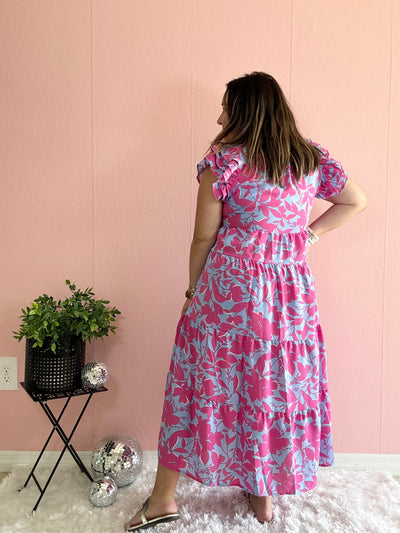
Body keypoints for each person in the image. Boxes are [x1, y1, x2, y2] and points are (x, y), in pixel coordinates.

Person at [124, 72, 367, 531]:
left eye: (225, 107)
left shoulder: (226, 162)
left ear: (243, 111)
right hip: (289, 296)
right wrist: (307, 234)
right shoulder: (307, 158)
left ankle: (162, 499)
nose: (219, 116)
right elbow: (356, 200)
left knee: (197, 383)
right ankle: (262, 496)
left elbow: (202, 237)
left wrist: (192, 292)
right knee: (269, 384)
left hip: (230, 289)